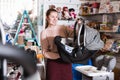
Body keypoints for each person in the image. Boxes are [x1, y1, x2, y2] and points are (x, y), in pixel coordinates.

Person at [40, 8, 74, 80]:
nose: (55, 19)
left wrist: (81, 29)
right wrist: (60, 55)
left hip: (66, 62)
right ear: (47, 18)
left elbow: (75, 34)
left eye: (56, 17)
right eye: (52, 17)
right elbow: (44, 52)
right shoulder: (44, 33)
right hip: (53, 63)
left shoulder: (63, 28)